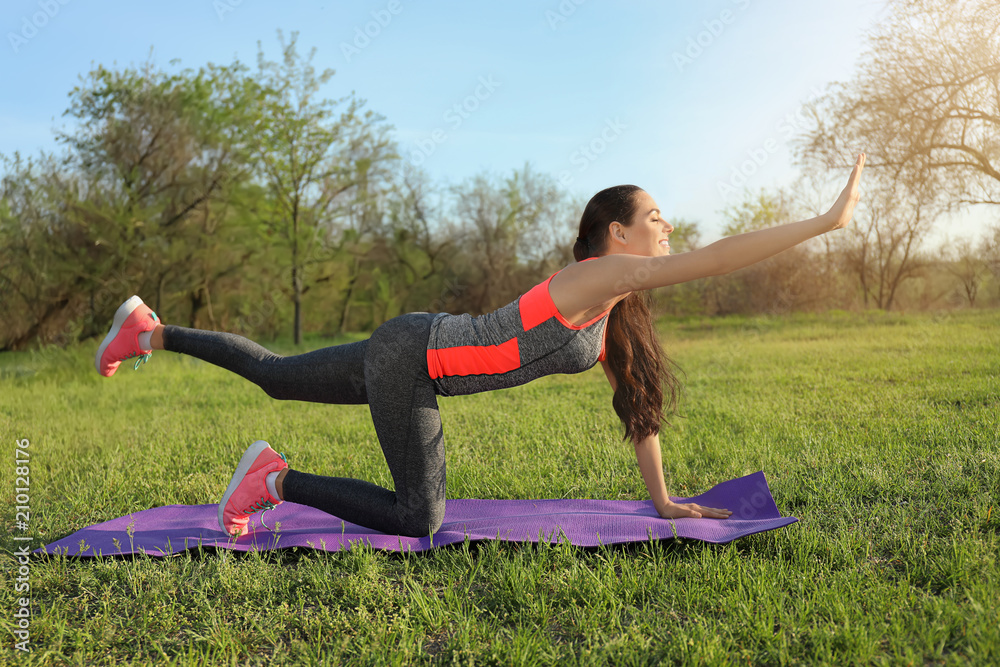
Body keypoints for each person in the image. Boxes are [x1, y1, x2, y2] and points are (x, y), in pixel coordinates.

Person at [95, 154, 866, 539]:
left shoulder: (610, 312)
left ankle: (149, 329)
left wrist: (662, 498)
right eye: (656, 215)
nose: (669, 226)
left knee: (274, 375)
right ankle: (273, 479)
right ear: (618, 234)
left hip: (412, 350)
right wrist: (821, 224)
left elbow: (640, 409)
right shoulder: (594, 276)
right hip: (415, 361)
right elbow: (715, 257)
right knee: (417, 516)